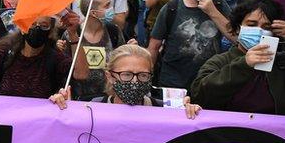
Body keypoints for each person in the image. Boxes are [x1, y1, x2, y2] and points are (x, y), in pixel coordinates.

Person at [191, 0, 285, 116]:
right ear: (237, 28)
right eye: (252, 24)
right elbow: (199, 95)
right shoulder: (220, 62)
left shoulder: (284, 65)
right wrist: (243, 65)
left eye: (266, 27)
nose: (259, 31)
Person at [50, 44, 201, 118]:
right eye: (127, 75)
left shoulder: (164, 111)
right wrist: (61, 110)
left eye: (142, 75)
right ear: (110, 76)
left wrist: (190, 114)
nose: (135, 81)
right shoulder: (90, 107)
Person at [149, 0, 232, 90]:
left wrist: (213, 12)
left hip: (208, 83)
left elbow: (236, 37)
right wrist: (147, 78)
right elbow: (154, 47)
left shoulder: (220, 6)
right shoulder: (172, 8)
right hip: (173, 83)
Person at [0, 12, 70, 99]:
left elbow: (79, 75)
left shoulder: (55, 59)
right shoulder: (4, 52)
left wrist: (73, 34)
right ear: (22, 28)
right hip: (6, 111)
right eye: (32, 24)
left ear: (50, 32)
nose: (37, 28)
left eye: (44, 26)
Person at [61, 0, 124, 100]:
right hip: (78, 98)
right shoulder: (71, 34)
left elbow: (122, 63)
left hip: (107, 98)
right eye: (107, 6)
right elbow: (64, 67)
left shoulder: (113, 31)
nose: (111, 9)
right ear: (94, 13)